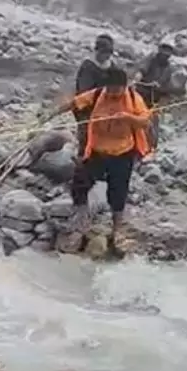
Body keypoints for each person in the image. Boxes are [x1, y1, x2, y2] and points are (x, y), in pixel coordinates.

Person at [40, 66, 151, 254]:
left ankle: (117, 229)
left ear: (124, 87)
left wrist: (128, 118)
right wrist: (52, 113)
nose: (113, 92)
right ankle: (80, 222)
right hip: (97, 151)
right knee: (80, 182)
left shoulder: (133, 99)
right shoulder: (98, 94)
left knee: (118, 191)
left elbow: (145, 121)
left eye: (117, 89)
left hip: (122, 153)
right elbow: (75, 103)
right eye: (111, 88)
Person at [72, 34, 116, 157]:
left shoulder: (112, 66)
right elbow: (84, 92)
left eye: (109, 53)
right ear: (97, 50)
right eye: (103, 52)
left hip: (104, 109)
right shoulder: (88, 66)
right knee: (85, 136)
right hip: (86, 109)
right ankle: (82, 159)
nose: (106, 56)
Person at [132, 42, 175, 150]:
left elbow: (166, 87)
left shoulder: (169, 68)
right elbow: (141, 71)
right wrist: (136, 80)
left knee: (152, 123)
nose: (165, 54)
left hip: (154, 99)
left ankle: (151, 147)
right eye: (163, 50)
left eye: (168, 52)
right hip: (140, 96)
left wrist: (158, 86)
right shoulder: (151, 58)